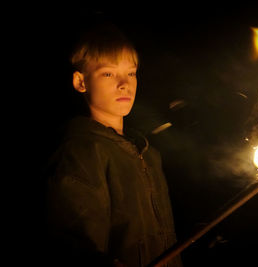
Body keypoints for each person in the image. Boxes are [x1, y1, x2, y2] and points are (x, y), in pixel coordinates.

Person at [45, 22, 182, 267]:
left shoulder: (149, 155)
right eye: (108, 73)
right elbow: (74, 248)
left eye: (130, 73)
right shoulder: (81, 153)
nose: (124, 84)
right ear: (80, 82)